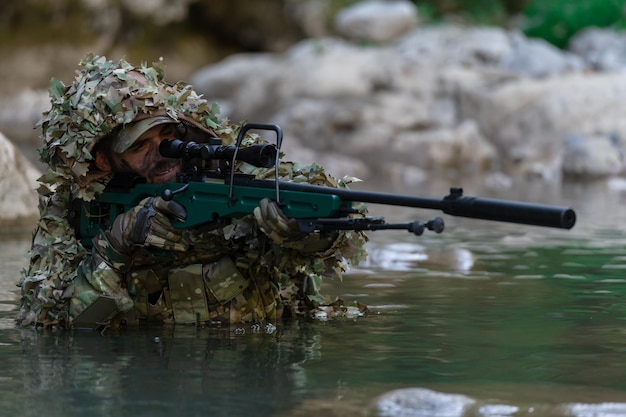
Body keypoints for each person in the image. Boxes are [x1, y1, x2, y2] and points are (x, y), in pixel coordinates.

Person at [16, 54, 368, 330]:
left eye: (167, 136)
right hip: (143, 376)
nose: (164, 153)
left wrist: (303, 234)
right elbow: (53, 324)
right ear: (104, 162)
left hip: (251, 362)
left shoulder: (229, 168)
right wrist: (115, 247)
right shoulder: (76, 209)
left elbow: (328, 216)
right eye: (141, 147)